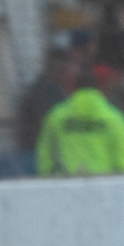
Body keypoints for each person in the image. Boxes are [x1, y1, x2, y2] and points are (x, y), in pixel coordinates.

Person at [37, 64, 124, 176]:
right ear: (98, 87)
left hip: (67, 182)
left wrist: (48, 178)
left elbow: (45, 155)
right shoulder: (114, 118)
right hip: (105, 182)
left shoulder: (57, 116)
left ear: (73, 87)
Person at [13, 47, 77, 176]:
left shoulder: (46, 88)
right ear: (61, 69)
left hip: (37, 151)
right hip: (35, 152)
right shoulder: (46, 91)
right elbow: (47, 123)